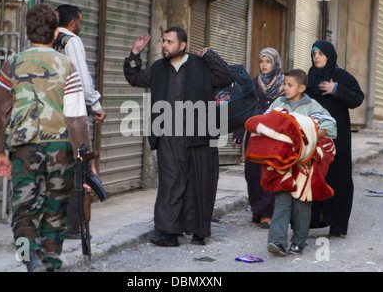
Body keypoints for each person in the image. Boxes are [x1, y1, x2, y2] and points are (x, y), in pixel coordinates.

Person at [0, 3, 92, 272]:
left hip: (25, 148)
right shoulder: (67, 66)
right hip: (60, 148)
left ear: (26, 31)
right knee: (55, 211)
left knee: (23, 212)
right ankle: (51, 263)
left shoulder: (12, 65)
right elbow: (77, 117)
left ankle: (28, 258)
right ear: (55, 35)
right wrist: (87, 158)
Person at [123, 27, 232, 246]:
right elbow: (135, 78)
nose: (164, 45)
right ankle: (167, 232)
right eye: (163, 41)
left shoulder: (199, 64)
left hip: (200, 133)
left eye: (169, 42)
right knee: (170, 182)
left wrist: (210, 56)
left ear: (182, 45)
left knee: (199, 182)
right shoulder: (158, 68)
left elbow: (225, 77)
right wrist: (135, 54)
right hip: (168, 135)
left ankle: (198, 232)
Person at [261, 69, 337, 256]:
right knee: (282, 201)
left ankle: (298, 241)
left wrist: (310, 135)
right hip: (283, 164)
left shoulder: (312, 106)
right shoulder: (279, 103)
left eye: (290, 85)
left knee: (302, 202)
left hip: (305, 165)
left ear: (301, 88)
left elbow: (330, 124)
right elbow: (265, 121)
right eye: (284, 84)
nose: (285, 88)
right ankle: (277, 241)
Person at [54, 4, 104, 238]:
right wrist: (95, 105)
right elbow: (82, 78)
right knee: (77, 165)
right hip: (70, 113)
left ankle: (53, 222)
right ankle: (72, 227)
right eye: (80, 22)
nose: (80, 26)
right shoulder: (70, 41)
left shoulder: (45, 41)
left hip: (48, 115)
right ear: (73, 22)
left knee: (55, 168)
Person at [307, 40, 364, 237]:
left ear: (329, 55)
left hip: (338, 139)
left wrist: (336, 89)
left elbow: (358, 98)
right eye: (314, 54)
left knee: (338, 178)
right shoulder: (310, 77)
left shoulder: (341, 76)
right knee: (314, 176)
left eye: (321, 54)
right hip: (314, 138)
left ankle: (338, 225)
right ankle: (312, 221)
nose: (317, 57)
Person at [232, 47, 285, 228]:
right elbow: (243, 109)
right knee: (253, 174)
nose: (264, 65)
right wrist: (238, 133)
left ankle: (267, 214)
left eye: (268, 61)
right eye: (261, 61)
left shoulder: (284, 86)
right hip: (254, 136)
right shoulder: (252, 84)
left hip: (275, 137)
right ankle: (257, 210)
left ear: (275, 63)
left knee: (270, 173)